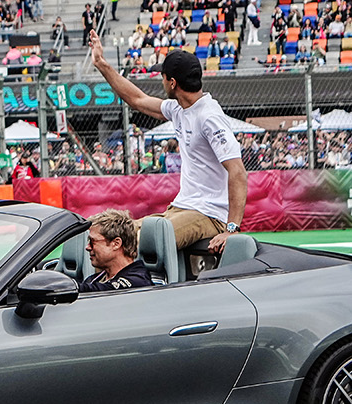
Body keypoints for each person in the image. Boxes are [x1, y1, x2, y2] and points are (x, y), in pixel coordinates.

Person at [90, 43, 247, 256]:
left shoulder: (209, 117)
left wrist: (232, 229)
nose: (161, 81)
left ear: (172, 83)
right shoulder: (179, 109)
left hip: (209, 214)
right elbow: (137, 100)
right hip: (181, 208)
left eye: (162, 77)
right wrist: (101, 64)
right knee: (108, 234)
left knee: (131, 244)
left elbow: (238, 171)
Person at [79, 208, 153, 293]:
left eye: (92, 241)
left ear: (116, 244)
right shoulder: (95, 279)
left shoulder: (137, 282)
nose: (87, 247)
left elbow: (107, 291)